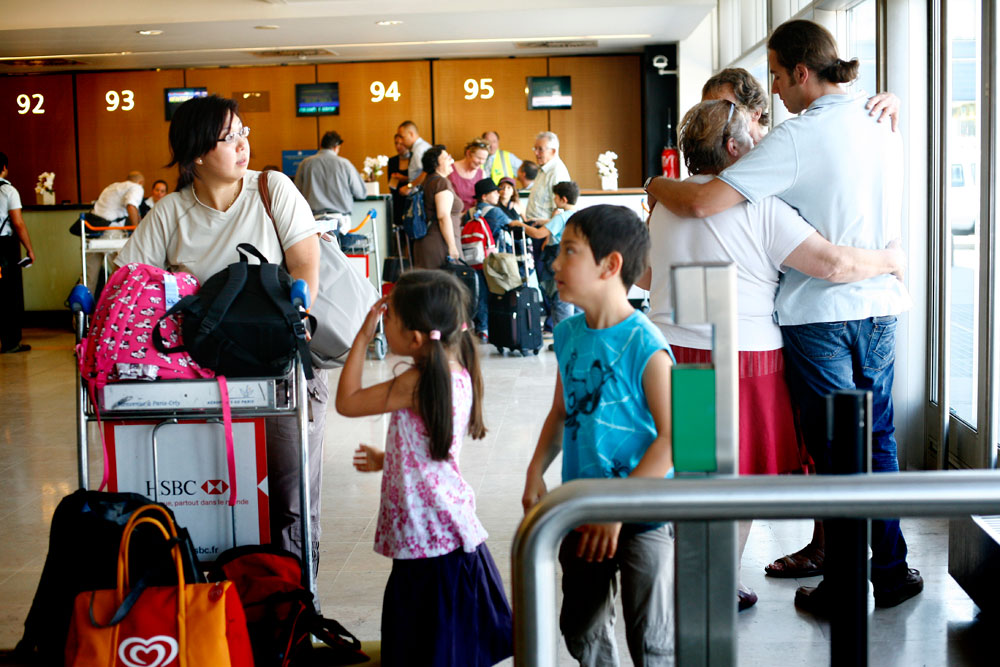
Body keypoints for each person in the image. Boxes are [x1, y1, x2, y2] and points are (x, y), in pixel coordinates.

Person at [645, 19, 920, 612]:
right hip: (850, 322)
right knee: (869, 443)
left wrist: (653, 183)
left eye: (774, 76)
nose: (771, 94)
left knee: (715, 469)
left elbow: (692, 211)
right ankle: (887, 571)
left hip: (745, 339)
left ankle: (811, 581)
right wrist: (893, 260)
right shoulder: (881, 122)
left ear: (800, 71)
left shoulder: (779, 152)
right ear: (736, 145)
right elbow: (835, 258)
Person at [114, 95, 326, 582]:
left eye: (243, 132)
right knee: (217, 494)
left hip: (278, 366)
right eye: (229, 138)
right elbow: (130, 281)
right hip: (203, 377)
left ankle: (294, 600)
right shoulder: (170, 212)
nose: (243, 144)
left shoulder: (272, 189)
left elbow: (305, 264)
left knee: (288, 498)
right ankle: (217, 601)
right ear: (196, 155)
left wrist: (291, 327)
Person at [522, 204, 675, 666]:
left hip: (642, 515)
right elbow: (561, 412)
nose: (554, 262)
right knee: (580, 627)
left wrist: (620, 509)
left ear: (610, 265)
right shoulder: (568, 334)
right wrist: (535, 468)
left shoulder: (647, 345)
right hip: (583, 507)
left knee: (650, 637)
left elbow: (672, 438)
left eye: (570, 251)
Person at [337, 270, 513, 667]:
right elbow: (434, 446)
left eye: (389, 318)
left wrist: (363, 338)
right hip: (445, 529)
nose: (383, 322)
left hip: (426, 536)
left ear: (415, 338)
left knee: (422, 646)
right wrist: (390, 460)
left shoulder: (415, 382)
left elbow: (346, 402)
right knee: (446, 644)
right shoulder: (456, 372)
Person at [702, 67, 901, 147]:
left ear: (755, 112)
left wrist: (889, 101)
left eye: (724, 108)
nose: (713, 117)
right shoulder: (712, 158)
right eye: (706, 109)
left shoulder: (787, 145)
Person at [510, 181, 578, 330]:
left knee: (559, 298)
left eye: (555, 197)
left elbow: (538, 233)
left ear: (563, 199)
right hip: (576, 262)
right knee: (575, 300)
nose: (554, 200)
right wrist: (543, 221)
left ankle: (562, 338)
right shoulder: (578, 215)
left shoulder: (560, 217)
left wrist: (520, 225)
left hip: (559, 259)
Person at [294, 130, 366, 235]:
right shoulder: (345, 164)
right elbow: (361, 194)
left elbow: (296, 194)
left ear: (321, 145)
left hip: (313, 222)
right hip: (340, 222)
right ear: (336, 147)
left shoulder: (305, 164)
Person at [0, 153, 35, 354]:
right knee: (8, 294)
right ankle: (11, 342)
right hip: (4, 246)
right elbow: (18, 223)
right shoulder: (8, 191)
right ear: (4, 167)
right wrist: (29, 248)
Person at [86, 170, 144, 293]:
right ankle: (117, 305)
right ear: (141, 182)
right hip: (111, 233)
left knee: (89, 276)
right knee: (121, 272)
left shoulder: (112, 187)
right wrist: (136, 230)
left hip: (93, 232)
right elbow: (131, 205)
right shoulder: (136, 187)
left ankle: (83, 309)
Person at [413, 145, 462, 270]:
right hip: (440, 243)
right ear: (436, 164)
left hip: (426, 242)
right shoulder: (441, 182)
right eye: (447, 157)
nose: (451, 160)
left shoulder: (428, 181)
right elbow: (443, 216)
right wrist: (452, 246)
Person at [524, 132, 570, 222]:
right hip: (534, 227)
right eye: (535, 148)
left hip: (544, 229)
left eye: (540, 149)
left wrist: (547, 232)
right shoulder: (543, 169)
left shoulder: (557, 172)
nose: (536, 153)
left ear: (553, 151)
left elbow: (558, 209)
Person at [448, 138, 489, 212]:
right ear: (468, 153)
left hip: (473, 216)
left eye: (484, 159)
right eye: (478, 158)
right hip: (453, 215)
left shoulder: (482, 174)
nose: (481, 162)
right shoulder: (450, 169)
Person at [397, 120, 432, 195]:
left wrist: (409, 186)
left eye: (402, 137)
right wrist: (405, 179)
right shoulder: (421, 147)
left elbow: (426, 173)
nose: (401, 141)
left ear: (411, 134)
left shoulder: (418, 150)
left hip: (421, 193)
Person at [387, 133, 410, 229]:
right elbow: (391, 185)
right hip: (397, 198)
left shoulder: (414, 159)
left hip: (410, 198)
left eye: (401, 144)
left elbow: (419, 180)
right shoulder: (392, 161)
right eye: (396, 143)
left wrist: (403, 178)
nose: (398, 146)